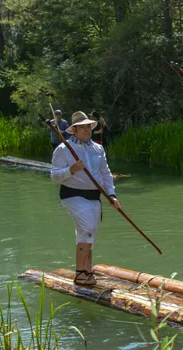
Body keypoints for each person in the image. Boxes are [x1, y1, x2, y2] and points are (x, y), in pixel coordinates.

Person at [50, 111, 120, 286]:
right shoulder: (64, 149)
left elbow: (105, 173)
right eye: (82, 127)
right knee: (88, 229)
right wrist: (71, 169)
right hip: (73, 195)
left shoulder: (98, 148)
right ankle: (80, 273)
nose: (86, 130)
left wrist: (111, 194)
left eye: (88, 126)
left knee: (90, 234)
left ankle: (87, 271)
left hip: (94, 196)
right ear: (74, 130)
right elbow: (54, 177)